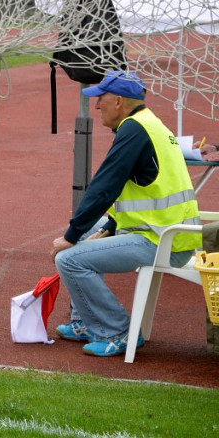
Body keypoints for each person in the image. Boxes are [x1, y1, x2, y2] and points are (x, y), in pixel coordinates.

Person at [52, 70, 201, 357]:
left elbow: (103, 188)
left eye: (101, 99)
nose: (96, 106)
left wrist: (69, 237)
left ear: (118, 101)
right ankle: (84, 321)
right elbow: (145, 192)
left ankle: (118, 331)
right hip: (164, 232)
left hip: (162, 241)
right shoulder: (148, 123)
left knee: (68, 259)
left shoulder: (134, 129)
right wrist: (109, 226)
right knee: (87, 230)